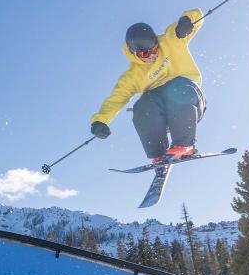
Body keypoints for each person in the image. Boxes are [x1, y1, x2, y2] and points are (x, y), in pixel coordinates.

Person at [88, 9, 206, 163]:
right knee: (142, 105)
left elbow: (198, 14)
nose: (151, 56)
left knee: (175, 88)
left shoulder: (172, 39)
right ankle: (158, 154)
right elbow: (116, 100)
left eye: (154, 50)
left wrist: (186, 21)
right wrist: (100, 121)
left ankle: (184, 145)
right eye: (144, 54)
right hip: (164, 117)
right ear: (134, 53)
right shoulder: (133, 76)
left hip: (189, 102)